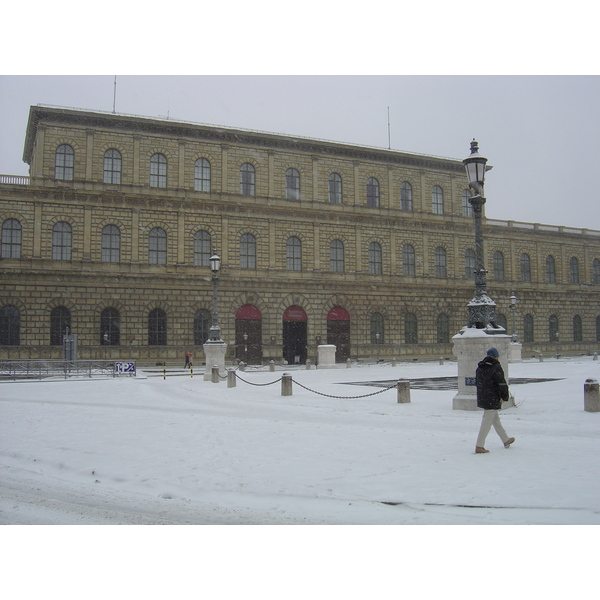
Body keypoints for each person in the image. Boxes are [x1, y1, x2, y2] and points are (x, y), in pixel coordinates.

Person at [475, 347, 515, 454]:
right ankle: (479, 445)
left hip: (484, 397)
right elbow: (501, 382)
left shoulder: (480, 367)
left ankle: (505, 440)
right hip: (493, 397)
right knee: (486, 422)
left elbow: (478, 383)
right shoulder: (495, 367)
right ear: (496, 357)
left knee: (495, 420)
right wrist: (504, 396)